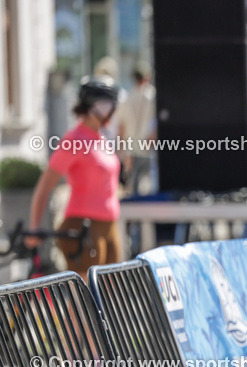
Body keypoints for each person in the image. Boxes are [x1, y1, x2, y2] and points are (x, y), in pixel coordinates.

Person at [27, 77, 123, 279]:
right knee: (86, 300)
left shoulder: (101, 137)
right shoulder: (74, 140)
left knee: (111, 297)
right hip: (83, 228)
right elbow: (44, 186)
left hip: (108, 226)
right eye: (111, 106)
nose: (113, 112)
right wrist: (35, 227)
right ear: (99, 106)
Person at [119, 62, 157, 196]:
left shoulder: (127, 98)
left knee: (133, 187)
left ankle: (134, 216)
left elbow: (121, 126)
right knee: (149, 186)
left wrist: (122, 149)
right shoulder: (152, 96)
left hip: (131, 149)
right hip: (148, 146)